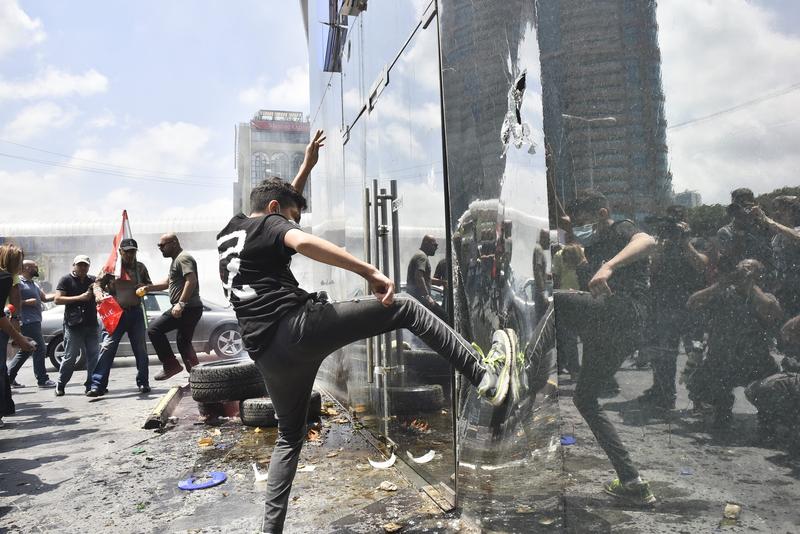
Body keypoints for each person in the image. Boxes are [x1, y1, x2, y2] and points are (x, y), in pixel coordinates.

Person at [217, 134, 512, 534]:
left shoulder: (231, 233)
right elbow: (298, 238)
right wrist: (369, 271)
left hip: (267, 355)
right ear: (274, 211)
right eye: (289, 215)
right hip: (298, 328)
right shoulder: (275, 224)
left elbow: (276, 211)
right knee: (405, 307)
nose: (292, 222)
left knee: (289, 436)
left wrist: (305, 168)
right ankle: (486, 378)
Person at [552, 190, 657, 506]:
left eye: (586, 220)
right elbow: (585, 265)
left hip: (624, 311)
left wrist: (609, 266)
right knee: (584, 398)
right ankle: (632, 481)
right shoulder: (593, 245)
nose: (583, 227)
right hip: (613, 327)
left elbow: (648, 242)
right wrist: (579, 251)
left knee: (550, 299)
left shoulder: (619, 228)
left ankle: (518, 371)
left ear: (601, 213)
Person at [686, 259, 782, 428]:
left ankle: (768, 422)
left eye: (749, 270)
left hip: (754, 361)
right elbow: (693, 302)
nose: (743, 273)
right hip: (723, 361)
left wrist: (750, 285)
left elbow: (772, 312)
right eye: (740, 270)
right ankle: (721, 413)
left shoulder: (765, 296)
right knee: (698, 383)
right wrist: (723, 283)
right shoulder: (724, 292)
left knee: (772, 387)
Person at [638, 205, 707, 409]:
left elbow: (702, 265)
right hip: (665, 304)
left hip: (690, 304)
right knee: (663, 353)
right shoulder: (662, 244)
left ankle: (700, 399)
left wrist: (685, 242)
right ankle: (664, 394)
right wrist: (660, 244)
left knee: (694, 352)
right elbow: (652, 269)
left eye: (678, 220)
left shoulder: (696, 241)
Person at [88, 239, 152, 396]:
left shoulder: (140, 268)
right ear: (121, 251)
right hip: (116, 313)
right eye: (127, 251)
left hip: (135, 312)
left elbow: (149, 285)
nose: (130, 254)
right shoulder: (111, 268)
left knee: (141, 349)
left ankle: (143, 382)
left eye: (133, 251)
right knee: (107, 347)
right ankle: (98, 385)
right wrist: (99, 294)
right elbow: (97, 284)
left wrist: (145, 287)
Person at [142, 233, 204, 380]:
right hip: (190, 308)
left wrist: (181, 304)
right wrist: (147, 288)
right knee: (183, 343)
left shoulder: (183, 258)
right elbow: (166, 283)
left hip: (188, 308)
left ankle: (171, 365)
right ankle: (198, 378)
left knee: (154, 330)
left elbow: (191, 280)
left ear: (174, 243)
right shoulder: (176, 260)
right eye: (159, 246)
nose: (160, 248)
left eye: (162, 245)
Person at [54, 255, 100, 396]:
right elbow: (57, 299)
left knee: (94, 356)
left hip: (91, 324)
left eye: (85, 265)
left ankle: (91, 385)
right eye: (80, 265)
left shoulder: (93, 280)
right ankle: (61, 384)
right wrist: (80, 298)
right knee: (70, 357)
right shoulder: (66, 280)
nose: (82, 268)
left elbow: (102, 292)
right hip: (73, 325)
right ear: (74, 265)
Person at [0, 245, 36, 427]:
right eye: (19, 261)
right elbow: (9, 312)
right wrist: (19, 337)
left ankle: (6, 406)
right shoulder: (6, 278)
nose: (21, 265)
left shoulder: (10, 277)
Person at [7, 260, 56, 388]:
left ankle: (8, 377)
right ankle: (42, 379)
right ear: (27, 268)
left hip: (35, 320)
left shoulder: (33, 283)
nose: (37, 269)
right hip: (27, 321)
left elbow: (44, 298)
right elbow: (11, 302)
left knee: (27, 349)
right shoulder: (18, 283)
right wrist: (26, 302)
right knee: (39, 348)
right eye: (35, 266)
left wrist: (62, 294)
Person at [406, 235, 448, 321]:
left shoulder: (420, 255)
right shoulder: (422, 257)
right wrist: (427, 296)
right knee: (444, 317)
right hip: (420, 299)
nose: (436, 248)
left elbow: (426, 279)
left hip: (417, 299)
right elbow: (419, 276)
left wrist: (443, 282)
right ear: (426, 243)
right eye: (435, 245)